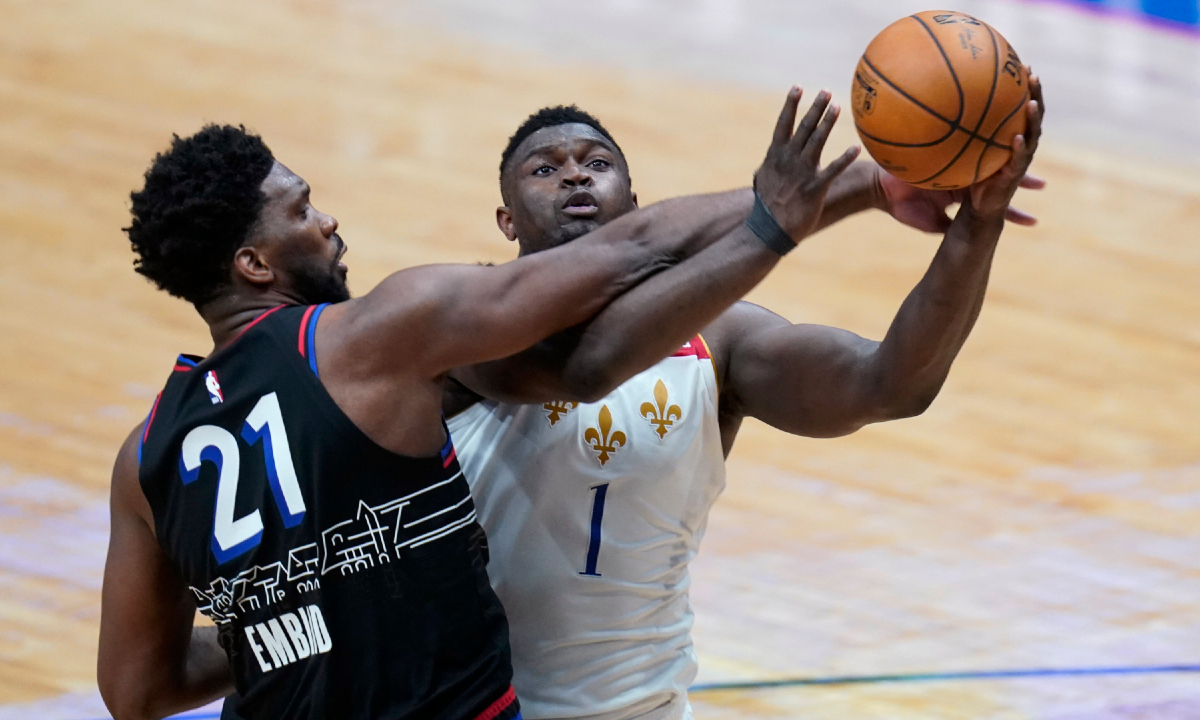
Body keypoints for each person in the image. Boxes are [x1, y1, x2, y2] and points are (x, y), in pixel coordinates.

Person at [97, 88, 863, 720]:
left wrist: (292, 621)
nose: (328, 222)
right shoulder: (369, 341)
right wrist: (786, 209)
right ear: (254, 264)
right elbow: (625, 259)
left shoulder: (145, 455)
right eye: (301, 211)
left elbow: (138, 691)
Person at [434, 76, 1045, 720]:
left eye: (597, 163)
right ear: (506, 219)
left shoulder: (719, 340)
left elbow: (889, 385)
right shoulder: (461, 320)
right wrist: (798, 211)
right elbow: (586, 366)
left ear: (637, 206)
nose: (575, 176)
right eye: (545, 169)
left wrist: (979, 223)